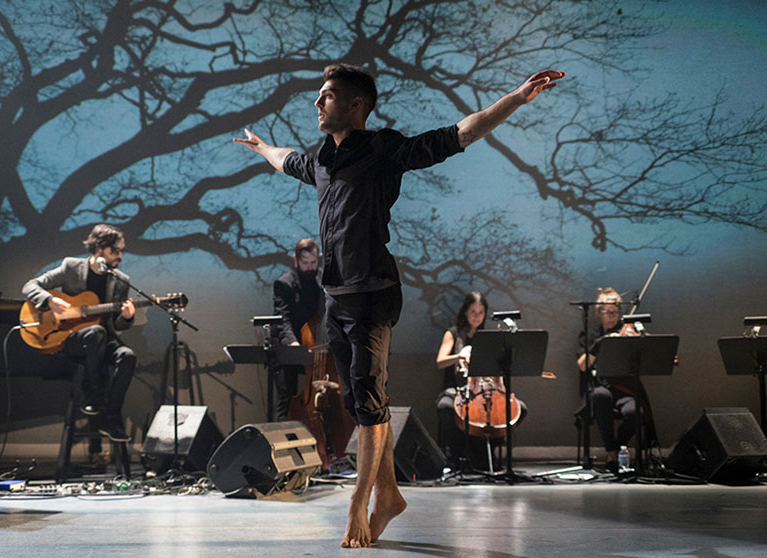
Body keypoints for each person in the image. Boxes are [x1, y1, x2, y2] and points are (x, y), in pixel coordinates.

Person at [235, 62, 564, 547]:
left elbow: (459, 133)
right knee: (363, 404)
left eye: (326, 96)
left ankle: (358, 506)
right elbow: (286, 159)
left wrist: (515, 98)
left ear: (356, 105)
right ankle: (388, 495)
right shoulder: (322, 159)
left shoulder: (385, 149)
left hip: (372, 295)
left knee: (368, 406)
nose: (316, 103)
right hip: (335, 298)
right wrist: (263, 148)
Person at [22, 223, 137, 442]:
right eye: (115, 250)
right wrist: (49, 300)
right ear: (100, 248)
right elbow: (30, 286)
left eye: (122, 251)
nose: (120, 256)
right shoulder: (71, 267)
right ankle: (93, 394)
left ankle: (111, 417)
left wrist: (127, 317)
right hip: (71, 339)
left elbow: (117, 325)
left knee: (128, 356)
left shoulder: (121, 280)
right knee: (94, 332)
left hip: (103, 337)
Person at [435, 291, 527, 466]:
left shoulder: (488, 336)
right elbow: (440, 361)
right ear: (465, 312)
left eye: (481, 313)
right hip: (458, 388)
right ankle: (457, 455)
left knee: (518, 409)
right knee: (445, 406)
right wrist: (460, 355)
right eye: (473, 312)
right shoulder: (453, 333)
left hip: (485, 389)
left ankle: (488, 451)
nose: (477, 317)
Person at [575, 288, 655, 474]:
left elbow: (648, 349)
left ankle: (619, 447)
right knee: (600, 396)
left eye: (615, 312)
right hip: (603, 387)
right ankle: (610, 451)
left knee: (633, 412)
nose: (612, 316)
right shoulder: (591, 335)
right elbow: (582, 365)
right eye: (607, 312)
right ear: (599, 313)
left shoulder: (626, 331)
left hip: (626, 389)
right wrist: (600, 343)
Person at [272, 238, 323, 421]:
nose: (310, 267)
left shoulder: (322, 281)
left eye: (313, 263)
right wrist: (294, 345)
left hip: (315, 348)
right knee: (287, 398)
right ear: (296, 260)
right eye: (305, 263)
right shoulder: (284, 283)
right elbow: (282, 320)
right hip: (289, 348)